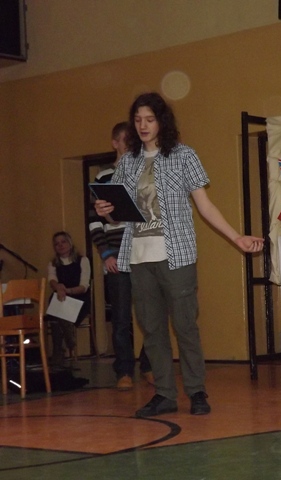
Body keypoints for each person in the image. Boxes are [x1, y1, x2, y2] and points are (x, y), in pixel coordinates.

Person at [95, 92, 264, 418]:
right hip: (138, 257)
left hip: (177, 255)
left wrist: (236, 237)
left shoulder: (184, 155)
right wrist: (106, 211)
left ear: (162, 121)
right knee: (152, 329)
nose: (143, 125)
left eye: (149, 119)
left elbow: (205, 206)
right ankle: (164, 394)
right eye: (138, 120)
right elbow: (119, 215)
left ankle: (197, 391)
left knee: (185, 326)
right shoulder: (127, 162)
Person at [89, 121, 153, 391]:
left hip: (143, 252)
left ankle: (149, 365)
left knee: (151, 313)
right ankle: (124, 370)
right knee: (121, 317)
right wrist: (106, 253)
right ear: (115, 142)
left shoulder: (144, 172)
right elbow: (94, 221)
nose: (131, 143)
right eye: (127, 139)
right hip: (116, 256)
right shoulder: (103, 177)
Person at [46, 231, 92, 366]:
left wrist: (68, 291)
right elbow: (52, 280)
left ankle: (58, 352)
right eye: (57, 244)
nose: (60, 245)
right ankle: (68, 336)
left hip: (79, 297)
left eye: (63, 242)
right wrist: (59, 287)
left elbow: (84, 286)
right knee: (56, 306)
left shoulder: (82, 260)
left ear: (70, 243)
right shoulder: (53, 263)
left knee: (58, 312)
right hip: (61, 298)